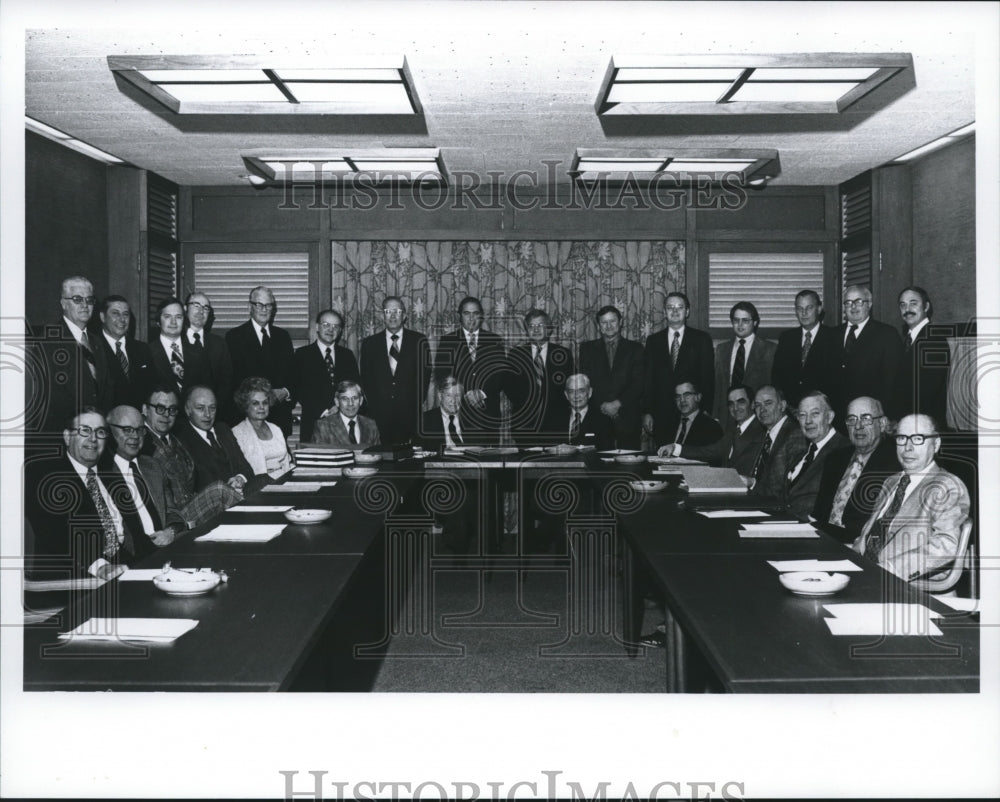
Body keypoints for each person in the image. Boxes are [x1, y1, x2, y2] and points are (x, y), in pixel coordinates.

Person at [25, 409, 142, 581]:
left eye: (100, 432)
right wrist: (100, 566)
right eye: (85, 430)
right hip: (76, 578)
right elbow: (54, 535)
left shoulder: (111, 477)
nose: (93, 439)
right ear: (67, 437)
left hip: (127, 568)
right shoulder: (46, 476)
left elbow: (136, 534)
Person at [853, 414, 970, 582]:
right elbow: (872, 535)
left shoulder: (947, 486)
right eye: (901, 438)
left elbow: (946, 546)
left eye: (917, 438)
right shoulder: (891, 481)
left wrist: (888, 570)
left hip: (910, 586)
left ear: (935, 444)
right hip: (865, 573)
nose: (907, 447)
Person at [140, 385, 242, 526]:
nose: (166, 415)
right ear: (145, 410)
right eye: (160, 409)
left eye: (172, 410)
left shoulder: (173, 439)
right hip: (173, 520)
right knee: (219, 491)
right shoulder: (141, 444)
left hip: (191, 506)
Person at [26, 276, 113, 436]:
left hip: (95, 433)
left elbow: (105, 390)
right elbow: (50, 396)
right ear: (63, 303)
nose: (85, 305)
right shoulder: (50, 339)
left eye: (89, 300)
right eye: (77, 299)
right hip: (64, 433)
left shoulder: (96, 341)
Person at [813, 396, 899, 541]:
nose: (858, 426)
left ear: (882, 424)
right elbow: (818, 513)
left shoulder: (894, 464)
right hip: (821, 538)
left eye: (866, 418)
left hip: (857, 546)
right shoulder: (834, 459)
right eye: (852, 419)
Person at [101, 404, 185, 548]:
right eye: (127, 430)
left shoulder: (152, 465)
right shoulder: (104, 474)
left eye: (140, 430)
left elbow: (172, 512)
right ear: (110, 431)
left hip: (169, 543)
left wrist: (170, 532)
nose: (135, 436)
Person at [642, 292, 714, 449]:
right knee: (663, 461)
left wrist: (706, 410)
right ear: (664, 312)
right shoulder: (653, 341)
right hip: (661, 414)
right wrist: (647, 412)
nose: (675, 311)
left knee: (691, 459)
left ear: (687, 312)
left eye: (680, 307)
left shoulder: (701, 339)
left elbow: (708, 378)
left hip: (692, 414)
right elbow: (648, 380)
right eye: (670, 307)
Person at [359, 296, 432, 447]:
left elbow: (424, 378)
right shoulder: (369, 344)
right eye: (388, 311)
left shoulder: (419, 341)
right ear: (382, 316)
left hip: (409, 416)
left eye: (397, 311)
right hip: (378, 417)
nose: (392, 316)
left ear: (404, 315)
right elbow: (365, 380)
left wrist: (412, 404)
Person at [225, 285, 296, 436]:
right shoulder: (234, 337)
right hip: (246, 420)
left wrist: (285, 392)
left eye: (268, 305)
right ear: (249, 307)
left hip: (279, 419)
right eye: (259, 304)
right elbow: (232, 382)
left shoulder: (283, 337)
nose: (264, 309)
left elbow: (294, 376)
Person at [431, 296, 506, 435]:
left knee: (490, 456)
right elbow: (441, 373)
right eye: (467, 313)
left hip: (489, 414)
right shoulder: (448, 341)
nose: (471, 318)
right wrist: (465, 393)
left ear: (481, 316)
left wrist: (481, 393)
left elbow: (501, 373)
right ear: (460, 316)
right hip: (459, 413)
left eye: (475, 313)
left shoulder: (494, 340)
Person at [173, 385, 267, 495]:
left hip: (242, 495)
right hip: (214, 503)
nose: (207, 414)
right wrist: (228, 488)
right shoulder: (181, 439)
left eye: (212, 408)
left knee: (264, 480)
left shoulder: (223, 429)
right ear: (188, 410)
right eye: (200, 408)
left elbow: (246, 469)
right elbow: (195, 485)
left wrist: (240, 478)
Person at [504, 308, 575, 447]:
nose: (536, 330)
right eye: (531, 326)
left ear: (549, 329)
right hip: (524, 426)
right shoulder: (516, 354)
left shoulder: (563, 354)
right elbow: (508, 386)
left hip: (556, 426)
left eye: (540, 325)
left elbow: (570, 386)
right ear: (527, 331)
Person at [770, 391, 848, 518]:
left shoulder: (844, 450)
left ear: (829, 417)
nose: (808, 421)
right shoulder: (802, 453)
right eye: (802, 415)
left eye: (815, 414)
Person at [579, 305, 645, 449]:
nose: (609, 326)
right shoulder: (587, 349)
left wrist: (617, 404)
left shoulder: (636, 349)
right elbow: (585, 382)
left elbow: (639, 383)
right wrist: (604, 405)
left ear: (620, 322)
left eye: (612, 321)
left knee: (629, 465)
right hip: (597, 416)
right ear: (598, 326)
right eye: (604, 322)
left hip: (627, 416)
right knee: (597, 466)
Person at [833, 285, 903, 419]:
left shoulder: (887, 334)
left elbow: (893, 383)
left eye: (859, 302)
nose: (853, 307)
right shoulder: (833, 335)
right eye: (848, 303)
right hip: (838, 418)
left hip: (871, 417)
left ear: (869, 304)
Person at [661, 384, 763, 475]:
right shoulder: (733, 429)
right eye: (731, 404)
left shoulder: (761, 430)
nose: (735, 408)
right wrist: (675, 448)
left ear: (753, 404)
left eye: (741, 402)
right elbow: (709, 452)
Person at [292, 309, 360, 443]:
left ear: (340, 331)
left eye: (335, 326)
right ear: (317, 327)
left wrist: (341, 408)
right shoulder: (302, 355)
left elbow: (356, 387)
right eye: (326, 325)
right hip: (314, 423)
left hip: (344, 424)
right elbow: (298, 389)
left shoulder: (347, 355)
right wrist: (325, 411)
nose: (330, 329)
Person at [889, 286, 950, 426]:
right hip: (908, 422)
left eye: (913, 303)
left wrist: (900, 420)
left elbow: (927, 392)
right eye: (902, 305)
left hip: (923, 426)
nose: (907, 309)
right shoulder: (908, 339)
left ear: (926, 307)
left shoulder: (935, 339)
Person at [770, 290, 837, 408]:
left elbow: (837, 382)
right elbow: (777, 378)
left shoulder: (834, 337)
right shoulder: (787, 338)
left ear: (819, 309)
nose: (804, 313)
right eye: (800, 308)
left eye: (809, 308)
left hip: (821, 409)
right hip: (791, 410)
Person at [712, 302, 775, 426]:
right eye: (736, 320)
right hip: (727, 417)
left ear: (755, 322)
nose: (740, 325)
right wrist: (715, 416)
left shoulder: (769, 350)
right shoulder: (721, 349)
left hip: (757, 417)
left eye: (745, 320)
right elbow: (718, 387)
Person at [96, 295, 156, 409]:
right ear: (102, 317)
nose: (122, 319)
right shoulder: (94, 349)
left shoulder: (142, 349)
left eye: (125, 314)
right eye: (115, 313)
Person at [183, 291, 234, 420]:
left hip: (213, 415)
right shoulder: (174, 341)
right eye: (196, 305)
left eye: (206, 308)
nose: (201, 311)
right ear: (185, 309)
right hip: (182, 416)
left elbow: (226, 381)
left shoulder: (219, 344)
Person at [231, 377, 295, 478]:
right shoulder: (237, 433)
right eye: (255, 403)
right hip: (258, 486)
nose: (261, 407)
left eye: (265, 402)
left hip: (284, 482)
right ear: (246, 405)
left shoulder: (276, 429)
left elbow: (288, 462)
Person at [149, 296, 207, 398]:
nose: (173, 322)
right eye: (167, 317)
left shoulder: (197, 351)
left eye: (178, 317)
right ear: (158, 321)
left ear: (184, 321)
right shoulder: (147, 352)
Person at [747, 385, 799, 497]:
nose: (762, 410)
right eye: (757, 405)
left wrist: (752, 483)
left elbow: (782, 489)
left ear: (782, 405)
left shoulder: (794, 435)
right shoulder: (765, 434)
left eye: (768, 403)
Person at [311, 380, 381, 449]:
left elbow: (377, 456)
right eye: (345, 399)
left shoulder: (371, 425)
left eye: (355, 398)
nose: (350, 403)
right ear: (337, 402)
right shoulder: (323, 426)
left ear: (361, 401)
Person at [656, 381, 723, 451]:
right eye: (678, 396)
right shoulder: (667, 424)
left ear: (698, 397)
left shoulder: (711, 427)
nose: (682, 400)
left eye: (686, 395)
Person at [559, 373, 614, 450]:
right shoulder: (555, 420)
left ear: (590, 392)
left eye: (581, 390)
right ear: (566, 395)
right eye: (571, 391)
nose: (576, 396)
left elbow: (607, 454)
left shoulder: (603, 421)